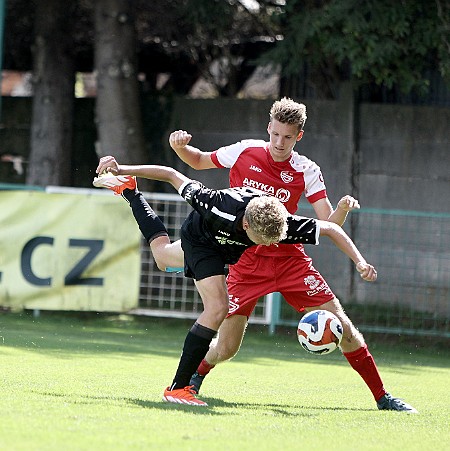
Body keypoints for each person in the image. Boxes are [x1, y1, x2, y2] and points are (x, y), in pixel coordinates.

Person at [167, 97, 418, 413]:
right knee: (227, 348)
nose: (279, 143)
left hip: (290, 262)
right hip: (245, 261)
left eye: (287, 137)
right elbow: (200, 160)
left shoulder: (306, 170)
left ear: (299, 136)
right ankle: (197, 374)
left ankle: (383, 397)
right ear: (268, 128)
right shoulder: (246, 151)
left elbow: (327, 224)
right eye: (275, 134)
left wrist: (340, 210)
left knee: (345, 329)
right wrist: (179, 148)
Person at [93, 159, 378, 407]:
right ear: (246, 226)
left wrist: (360, 261)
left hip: (226, 248)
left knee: (163, 258)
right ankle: (178, 388)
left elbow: (329, 228)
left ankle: (130, 191)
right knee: (216, 306)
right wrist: (121, 166)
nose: (268, 245)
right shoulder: (214, 203)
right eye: (263, 241)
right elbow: (170, 173)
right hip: (202, 239)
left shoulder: (278, 222)